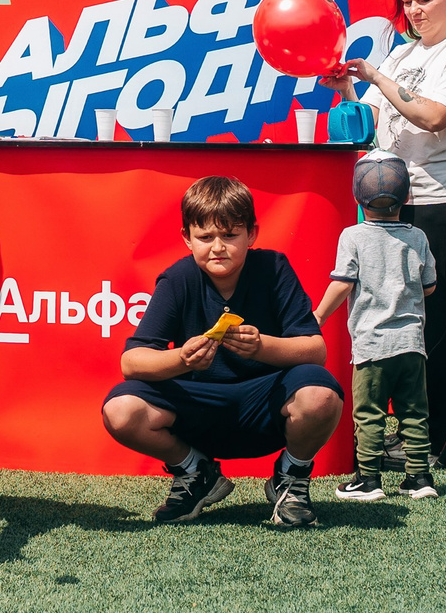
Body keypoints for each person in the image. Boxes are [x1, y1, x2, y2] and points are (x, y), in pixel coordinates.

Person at [102, 174, 345, 529]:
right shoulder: (178, 279)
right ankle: (195, 471)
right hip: (197, 406)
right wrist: (181, 358)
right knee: (121, 409)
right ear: (187, 239)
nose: (218, 246)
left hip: (265, 402)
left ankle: (290, 478)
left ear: (252, 235)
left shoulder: (274, 269)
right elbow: (131, 361)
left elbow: (315, 350)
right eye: (205, 237)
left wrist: (262, 346)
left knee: (321, 394)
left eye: (230, 235)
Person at [326, 0, 446, 467]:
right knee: (391, 314)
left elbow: (434, 116)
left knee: (434, 314)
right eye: (408, 2)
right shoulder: (400, 53)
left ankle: (444, 438)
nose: (415, 10)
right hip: (389, 203)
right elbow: (374, 121)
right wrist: (350, 88)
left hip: (438, 199)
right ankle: (408, 431)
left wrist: (375, 75)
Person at [316, 153, 439, 501]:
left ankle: (368, 479)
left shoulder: (352, 236)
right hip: (412, 343)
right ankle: (419, 477)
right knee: (414, 411)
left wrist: (318, 316)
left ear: (358, 198)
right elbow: (429, 286)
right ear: (407, 198)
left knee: (369, 413)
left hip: (371, 344)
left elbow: (342, 283)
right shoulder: (418, 237)